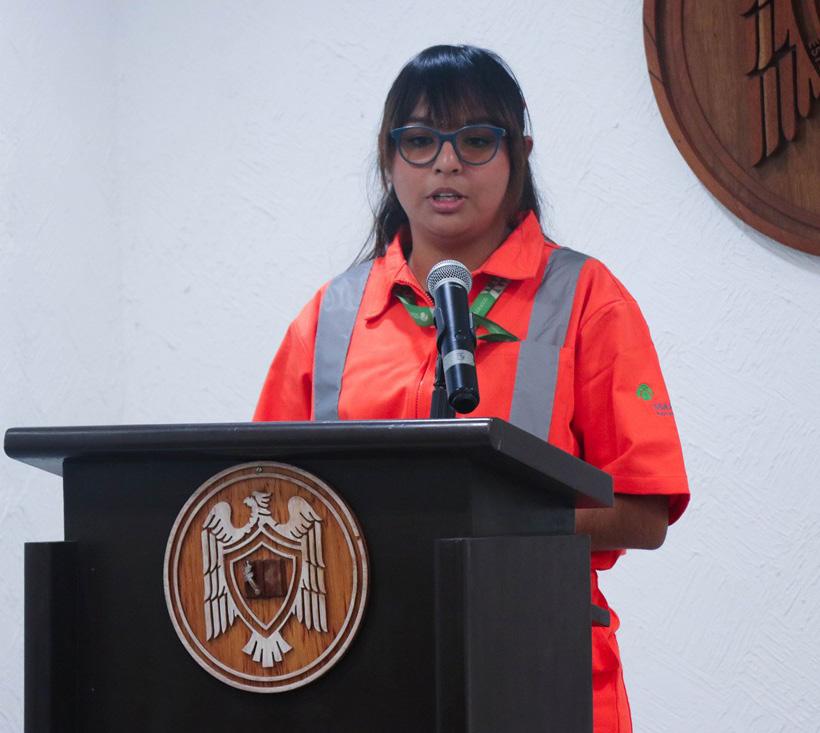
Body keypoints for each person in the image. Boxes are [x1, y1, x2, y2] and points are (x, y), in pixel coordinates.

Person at [254, 44, 689, 732]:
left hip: (540, 661)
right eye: (420, 141)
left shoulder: (586, 299)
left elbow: (645, 513)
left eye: (476, 140)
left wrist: (485, 525)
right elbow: (263, 498)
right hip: (356, 670)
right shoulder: (331, 316)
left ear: (520, 154)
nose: (446, 163)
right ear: (388, 157)